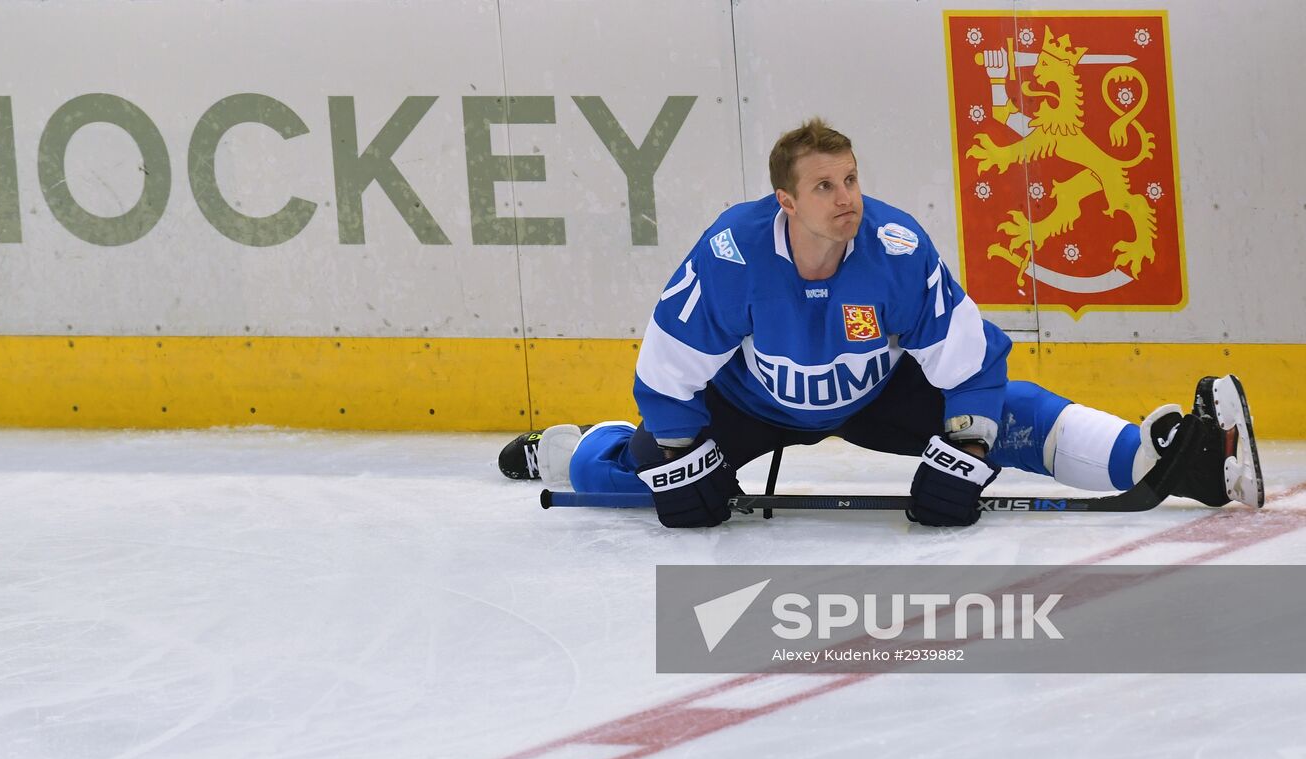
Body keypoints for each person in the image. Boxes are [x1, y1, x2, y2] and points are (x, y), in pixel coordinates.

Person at [498, 118, 1264, 528]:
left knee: (1013, 415)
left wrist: (965, 446)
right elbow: (665, 374)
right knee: (635, 483)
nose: (847, 198)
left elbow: (970, 365)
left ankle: (1156, 457)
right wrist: (674, 454)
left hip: (874, 393)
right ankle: (562, 452)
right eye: (825, 185)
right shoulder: (732, 253)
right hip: (750, 402)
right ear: (786, 203)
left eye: (853, 178)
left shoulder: (896, 249)